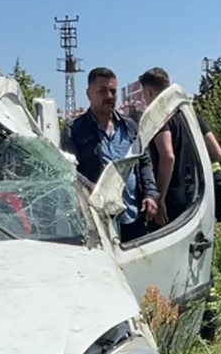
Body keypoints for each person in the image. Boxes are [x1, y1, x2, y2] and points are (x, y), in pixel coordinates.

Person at [61, 67, 158, 242]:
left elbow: (144, 162)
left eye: (113, 91)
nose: (109, 96)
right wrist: (92, 188)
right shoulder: (74, 130)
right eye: (102, 91)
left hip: (133, 217)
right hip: (98, 221)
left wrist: (150, 194)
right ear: (89, 93)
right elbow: (68, 168)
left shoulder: (129, 127)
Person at [137, 66, 221, 225]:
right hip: (196, 192)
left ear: (149, 91)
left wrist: (160, 197)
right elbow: (218, 154)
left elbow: (168, 156)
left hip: (171, 195)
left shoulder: (159, 118)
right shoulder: (189, 115)